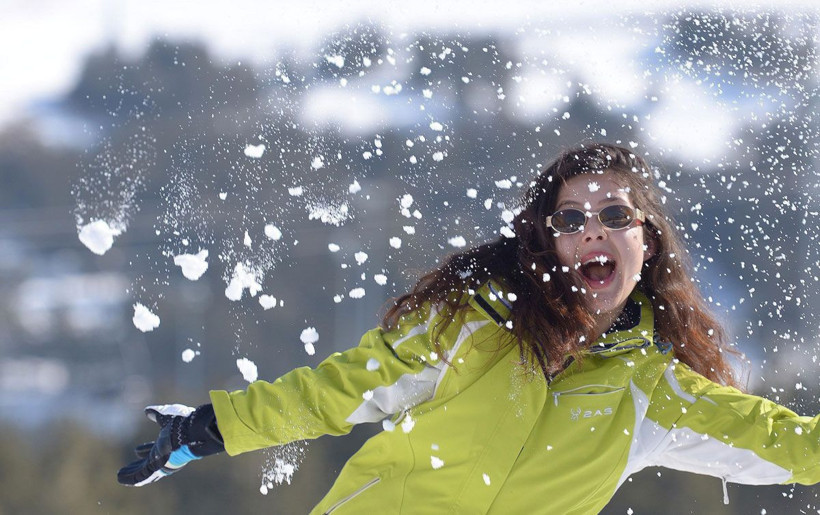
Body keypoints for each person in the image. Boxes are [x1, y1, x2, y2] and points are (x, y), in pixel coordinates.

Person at [118, 142, 820, 514]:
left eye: (614, 216)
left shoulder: (651, 390)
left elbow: (782, 444)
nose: (592, 232)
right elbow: (337, 390)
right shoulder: (472, 323)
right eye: (571, 219)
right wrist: (212, 428)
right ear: (547, 240)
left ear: (648, 241)